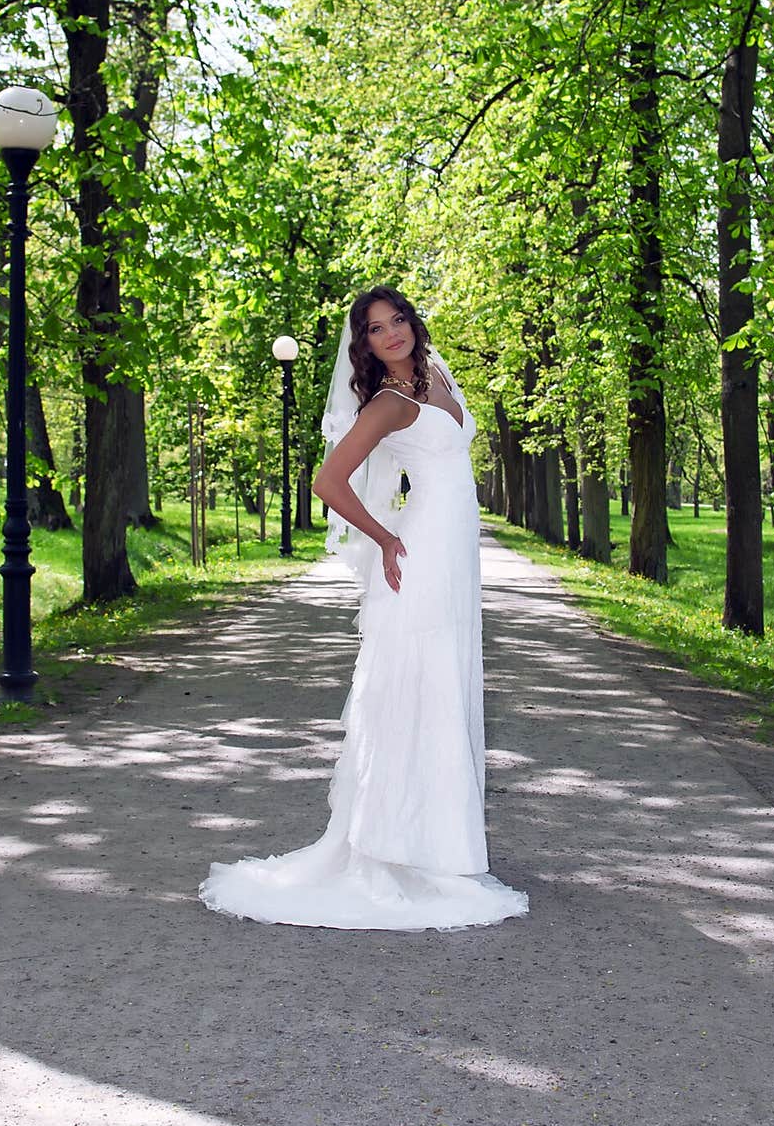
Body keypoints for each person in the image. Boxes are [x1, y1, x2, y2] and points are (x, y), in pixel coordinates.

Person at [199, 286, 529, 930]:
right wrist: (384, 537)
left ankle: (440, 841)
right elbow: (328, 480)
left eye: (397, 319)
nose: (392, 334)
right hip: (422, 555)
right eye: (376, 329)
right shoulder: (386, 403)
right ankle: (401, 846)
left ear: (412, 323)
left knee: (447, 686)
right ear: (366, 345)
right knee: (417, 691)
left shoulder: (437, 373)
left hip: (457, 555)